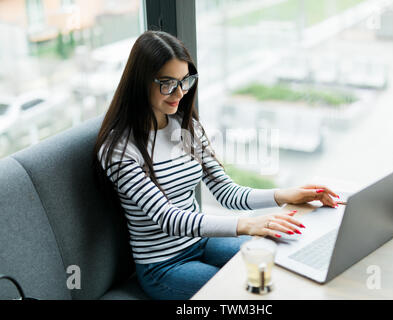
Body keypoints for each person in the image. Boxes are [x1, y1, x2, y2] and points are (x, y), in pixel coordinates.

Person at [93, 30, 340, 300]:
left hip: (202, 241)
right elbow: (168, 219)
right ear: (141, 82)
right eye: (167, 83)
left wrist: (283, 195)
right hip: (163, 266)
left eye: (184, 81)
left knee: (274, 262)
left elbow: (226, 192)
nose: (179, 93)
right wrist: (246, 225)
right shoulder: (119, 149)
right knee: (246, 292)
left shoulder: (185, 127)